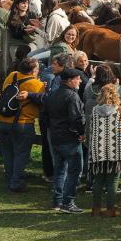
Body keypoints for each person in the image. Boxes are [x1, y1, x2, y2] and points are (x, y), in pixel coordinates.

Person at [0, 58, 44, 193]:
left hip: (2, 120)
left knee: (7, 152)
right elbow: (43, 101)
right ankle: (16, 183)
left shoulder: (13, 75)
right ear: (34, 71)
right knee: (21, 153)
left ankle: (10, 179)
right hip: (22, 123)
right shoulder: (37, 84)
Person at [87, 83, 121, 217]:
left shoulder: (95, 110)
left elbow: (91, 128)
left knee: (98, 180)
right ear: (116, 95)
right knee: (112, 181)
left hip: (98, 151)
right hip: (115, 150)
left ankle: (95, 209)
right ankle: (110, 209)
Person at [46, 67, 86, 213]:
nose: (80, 81)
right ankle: (68, 202)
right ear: (70, 81)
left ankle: (57, 201)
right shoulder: (72, 96)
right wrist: (81, 133)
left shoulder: (52, 94)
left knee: (60, 170)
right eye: (78, 78)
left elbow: (45, 115)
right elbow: (76, 118)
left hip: (55, 137)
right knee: (75, 171)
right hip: (70, 138)